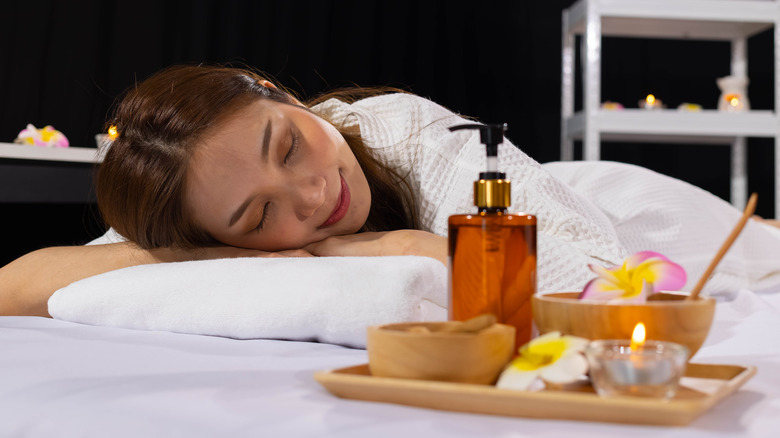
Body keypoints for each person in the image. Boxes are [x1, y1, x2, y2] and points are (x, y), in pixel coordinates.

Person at [2, 64, 780, 318]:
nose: (309, 196)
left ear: (283, 96)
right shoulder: (199, 206)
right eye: (257, 214)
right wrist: (186, 253)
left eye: (289, 145)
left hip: (631, 214)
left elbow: (597, 286)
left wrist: (416, 248)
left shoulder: (400, 130)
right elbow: (16, 285)